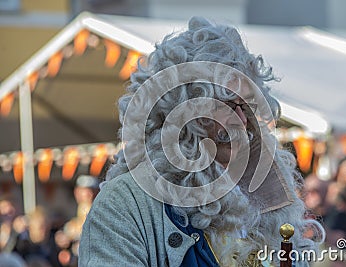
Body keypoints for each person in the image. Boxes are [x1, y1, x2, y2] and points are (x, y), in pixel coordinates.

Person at [79, 17, 324, 267]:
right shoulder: (124, 205)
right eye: (224, 106)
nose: (240, 120)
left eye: (245, 106)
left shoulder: (268, 193)